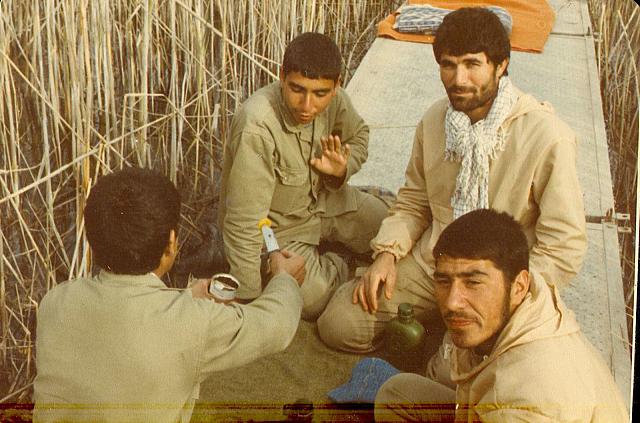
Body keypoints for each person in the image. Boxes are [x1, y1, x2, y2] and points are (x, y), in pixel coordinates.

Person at [317, 7, 587, 352]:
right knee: (339, 324)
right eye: (448, 65)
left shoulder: (547, 135)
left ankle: (445, 338)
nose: (459, 79)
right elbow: (413, 202)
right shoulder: (434, 120)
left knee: (462, 371)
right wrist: (386, 255)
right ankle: (439, 327)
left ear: (500, 65)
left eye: (472, 64)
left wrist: (509, 294)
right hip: (434, 263)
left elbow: (564, 244)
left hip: (499, 280)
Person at [33, 167, 306, 423]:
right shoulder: (194, 324)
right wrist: (284, 278)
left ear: (92, 240)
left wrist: (185, 299)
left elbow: (126, 325)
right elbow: (278, 325)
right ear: (171, 244)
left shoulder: (54, 303)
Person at [374, 209, 629, 422]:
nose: (452, 302)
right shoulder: (529, 300)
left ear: (518, 286)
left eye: (473, 283)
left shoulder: (528, 400)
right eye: (444, 281)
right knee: (398, 395)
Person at [219, 32, 390, 320]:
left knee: (387, 229)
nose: (307, 105)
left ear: (336, 85)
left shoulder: (335, 99)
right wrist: (248, 298)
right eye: (297, 89)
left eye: (320, 94)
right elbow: (243, 223)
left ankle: (337, 252)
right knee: (313, 299)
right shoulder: (257, 127)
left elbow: (359, 135)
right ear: (282, 76)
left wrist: (342, 170)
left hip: (325, 203)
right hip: (277, 230)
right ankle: (344, 263)